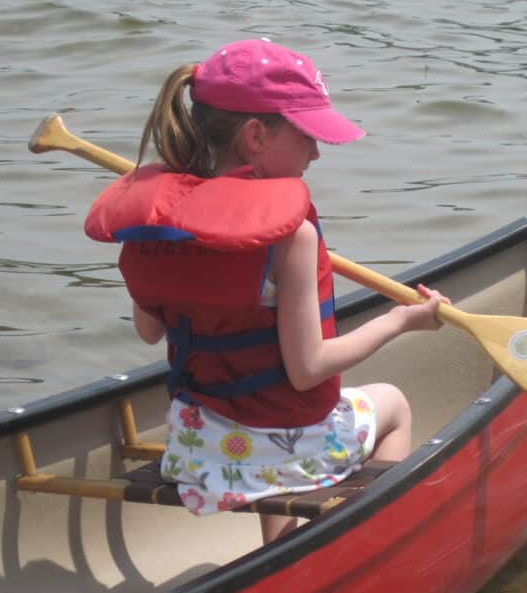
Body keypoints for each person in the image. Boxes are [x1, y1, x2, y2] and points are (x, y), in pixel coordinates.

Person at [85, 38, 447, 544]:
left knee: (264, 429)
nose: (317, 152)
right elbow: (308, 370)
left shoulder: (156, 224)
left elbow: (149, 332)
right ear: (256, 136)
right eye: (306, 137)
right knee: (392, 404)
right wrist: (403, 319)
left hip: (197, 449)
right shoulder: (291, 236)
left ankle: (279, 547)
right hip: (281, 455)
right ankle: (362, 543)